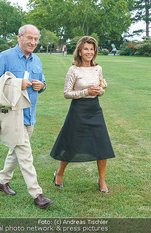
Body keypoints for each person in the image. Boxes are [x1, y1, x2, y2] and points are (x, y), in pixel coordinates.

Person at [0, 24, 53, 209]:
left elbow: (43, 83)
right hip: (12, 114)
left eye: (36, 39)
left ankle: (2, 181)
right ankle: (37, 194)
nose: (33, 42)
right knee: (25, 154)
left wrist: (42, 86)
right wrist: (16, 83)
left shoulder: (37, 60)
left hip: (30, 115)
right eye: (29, 38)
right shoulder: (5, 57)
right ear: (19, 37)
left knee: (15, 151)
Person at [50, 36, 115, 193]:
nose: (89, 52)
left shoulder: (98, 69)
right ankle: (59, 174)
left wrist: (100, 90)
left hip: (95, 109)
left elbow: (101, 90)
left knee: (102, 144)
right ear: (79, 51)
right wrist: (86, 91)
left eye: (92, 49)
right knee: (71, 144)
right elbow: (66, 93)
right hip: (78, 110)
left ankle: (102, 181)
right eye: (86, 49)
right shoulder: (73, 70)